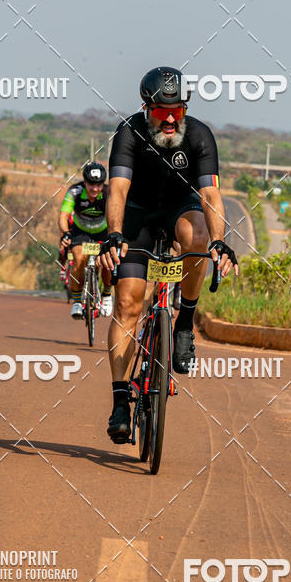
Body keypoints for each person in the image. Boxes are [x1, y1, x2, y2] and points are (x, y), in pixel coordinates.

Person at [100, 66, 238, 443]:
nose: (172, 118)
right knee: (128, 305)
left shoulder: (198, 135)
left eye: (179, 108)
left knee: (196, 236)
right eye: (163, 111)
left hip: (181, 207)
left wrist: (219, 240)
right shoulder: (129, 132)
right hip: (138, 215)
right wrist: (113, 235)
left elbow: (210, 195)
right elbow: (117, 191)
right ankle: (119, 401)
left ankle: (183, 324)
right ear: (146, 107)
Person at [59, 162, 113, 319]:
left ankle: (107, 294)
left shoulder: (109, 193)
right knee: (79, 259)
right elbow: (63, 215)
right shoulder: (75, 191)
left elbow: (116, 216)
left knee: (107, 261)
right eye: (91, 184)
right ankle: (77, 301)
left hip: (102, 231)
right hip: (80, 231)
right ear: (84, 182)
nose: (95, 189)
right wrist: (65, 233)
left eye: (99, 185)